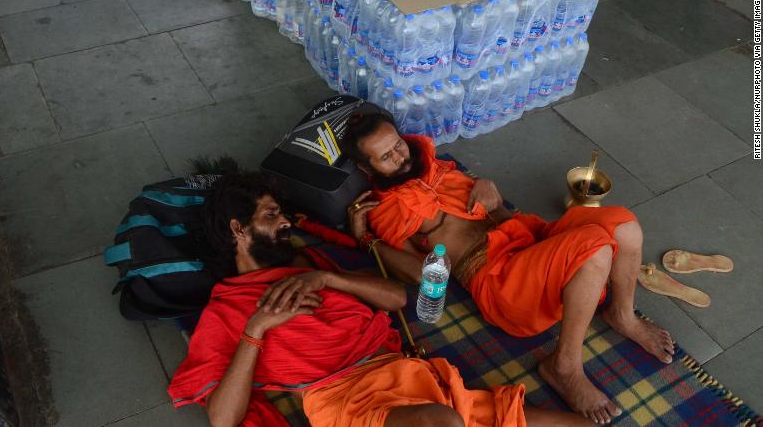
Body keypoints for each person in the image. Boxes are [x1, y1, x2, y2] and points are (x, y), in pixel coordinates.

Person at [167, 172, 589, 427]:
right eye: (270, 215)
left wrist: (329, 277)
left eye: (281, 214)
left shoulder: (311, 267)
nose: (285, 224)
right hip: (345, 401)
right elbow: (223, 418)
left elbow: (398, 298)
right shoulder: (227, 308)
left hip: (409, 375)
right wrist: (256, 329)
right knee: (443, 422)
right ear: (238, 229)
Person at [341, 108, 675, 425]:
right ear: (369, 171)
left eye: (398, 144)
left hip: (528, 239)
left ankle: (622, 314)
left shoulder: (435, 166)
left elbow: (497, 211)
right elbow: (417, 273)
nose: (401, 157)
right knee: (595, 249)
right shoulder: (385, 209)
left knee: (624, 224)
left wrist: (488, 189)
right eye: (387, 157)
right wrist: (367, 240)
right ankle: (564, 366)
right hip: (501, 282)